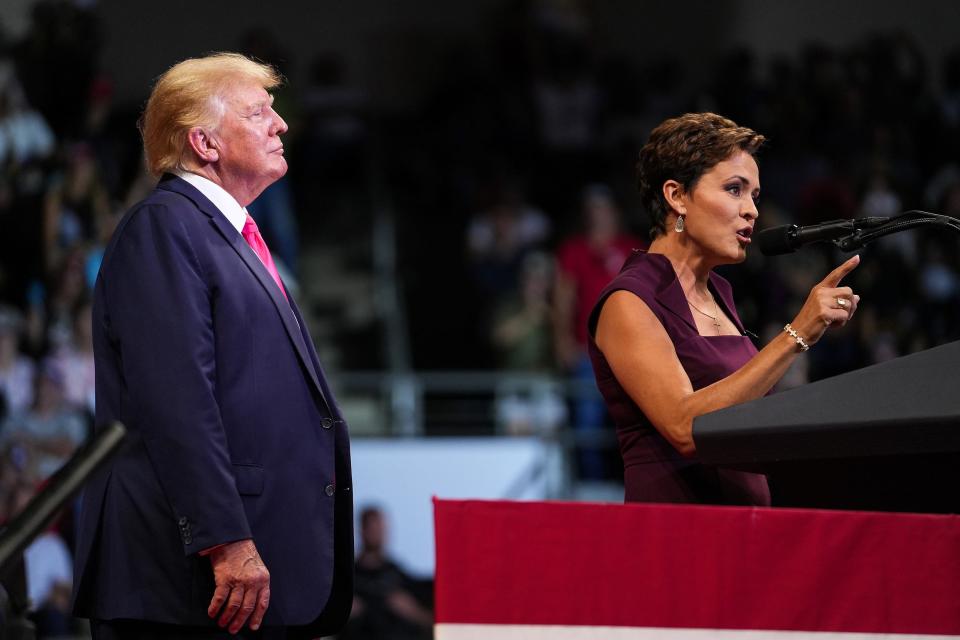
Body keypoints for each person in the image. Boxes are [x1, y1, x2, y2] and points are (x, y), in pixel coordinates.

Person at [70, 53, 354, 638]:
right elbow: (177, 400)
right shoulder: (165, 225)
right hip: (189, 580)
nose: (280, 124)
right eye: (259, 113)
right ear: (204, 141)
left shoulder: (231, 235)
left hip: (237, 574)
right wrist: (225, 538)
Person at [588, 113, 860, 504]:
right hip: (676, 533)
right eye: (735, 190)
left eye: (755, 195)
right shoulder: (628, 300)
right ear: (676, 196)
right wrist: (797, 334)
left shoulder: (720, 293)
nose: (751, 210)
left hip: (744, 529)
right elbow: (685, 427)